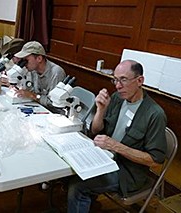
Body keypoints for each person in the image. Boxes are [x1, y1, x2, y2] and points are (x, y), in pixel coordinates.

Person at [67, 60, 167, 213]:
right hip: (104, 156)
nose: (118, 85)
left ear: (140, 81)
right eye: (115, 79)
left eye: (123, 80)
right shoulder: (117, 98)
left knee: (77, 187)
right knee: (68, 167)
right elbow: (95, 130)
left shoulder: (154, 114)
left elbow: (155, 161)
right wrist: (100, 110)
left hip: (127, 172)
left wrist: (115, 146)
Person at [13, 41, 66, 107]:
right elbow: (29, 89)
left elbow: (53, 103)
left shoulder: (56, 73)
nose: (24, 63)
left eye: (26, 60)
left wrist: (32, 95)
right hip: (38, 107)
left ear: (39, 58)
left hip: (53, 113)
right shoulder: (32, 69)